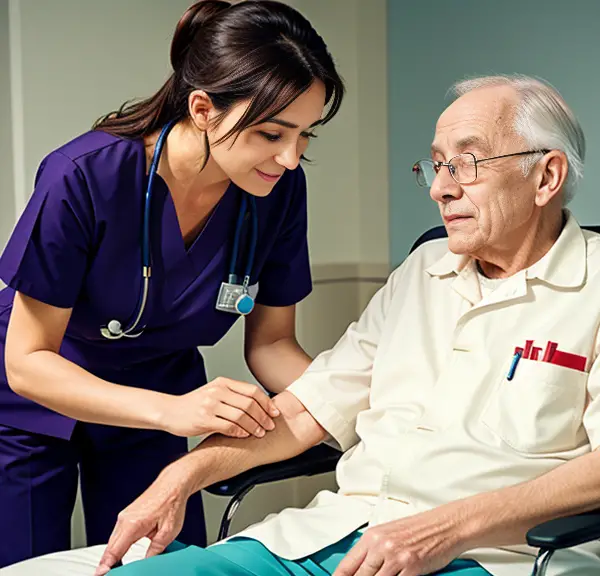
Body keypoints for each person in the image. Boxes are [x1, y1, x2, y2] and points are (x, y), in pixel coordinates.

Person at [7, 73, 600, 576]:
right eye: (437, 165)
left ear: (545, 177)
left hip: (488, 555)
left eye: (465, 163)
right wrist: (181, 475)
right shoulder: (426, 269)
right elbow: (310, 403)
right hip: (330, 533)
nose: (441, 189)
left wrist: (445, 528)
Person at [0, 0, 344, 568]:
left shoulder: (278, 191)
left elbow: (272, 345)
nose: (289, 157)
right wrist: (170, 411)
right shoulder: (85, 176)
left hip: (161, 397)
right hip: (36, 403)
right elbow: (27, 360)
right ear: (204, 108)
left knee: (156, 565)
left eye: (306, 134)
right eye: (271, 133)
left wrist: (359, 407)